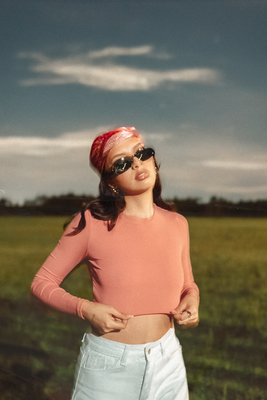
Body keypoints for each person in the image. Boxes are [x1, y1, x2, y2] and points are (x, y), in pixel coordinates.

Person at [31, 126, 199, 400]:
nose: (136, 163)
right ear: (110, 182)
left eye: (140, 153)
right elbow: (41, 283)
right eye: (121, 163)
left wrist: (192, 299)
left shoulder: (178, 223)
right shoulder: (91, 222)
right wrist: (86, 309)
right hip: (109, 368)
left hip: (168, 360)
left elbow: (188, 285)